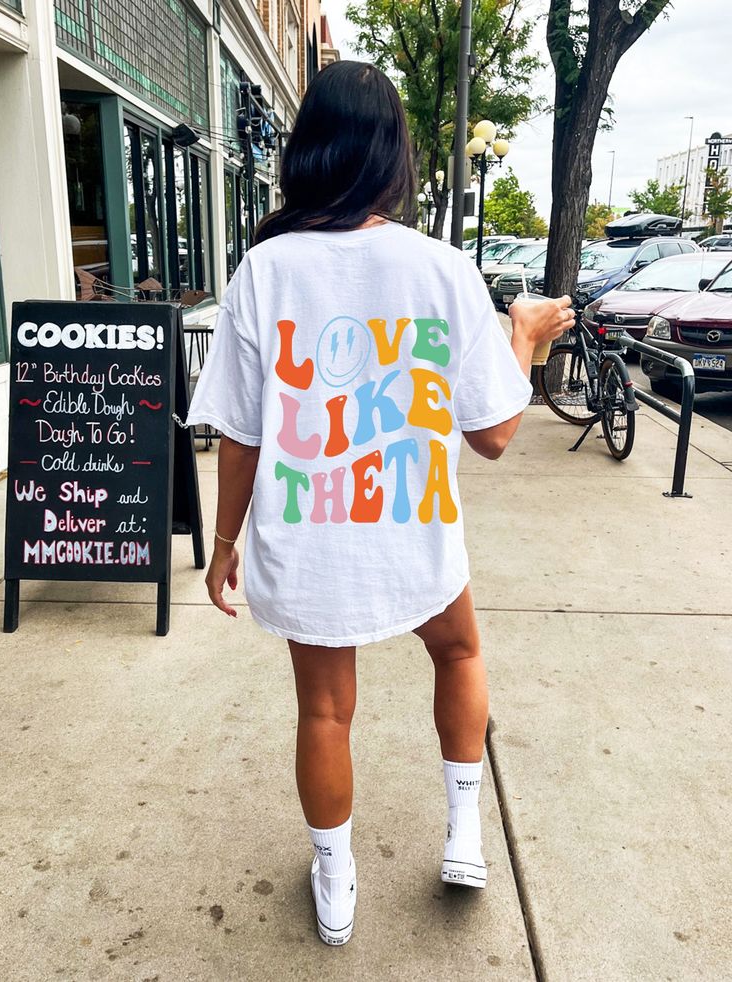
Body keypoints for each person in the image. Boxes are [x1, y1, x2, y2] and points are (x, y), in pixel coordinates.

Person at [186, 60, 574, 947]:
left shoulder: (261, 269)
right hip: (415, 527)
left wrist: (222, 540)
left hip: (309, 535)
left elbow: (240, 429)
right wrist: (523, 337)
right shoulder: (440, 268)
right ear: (394, 155)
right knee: (460, 649)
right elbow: (496, 433)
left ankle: (335, 882)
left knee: (324, 710)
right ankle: (466, 834)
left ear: (308, 151)